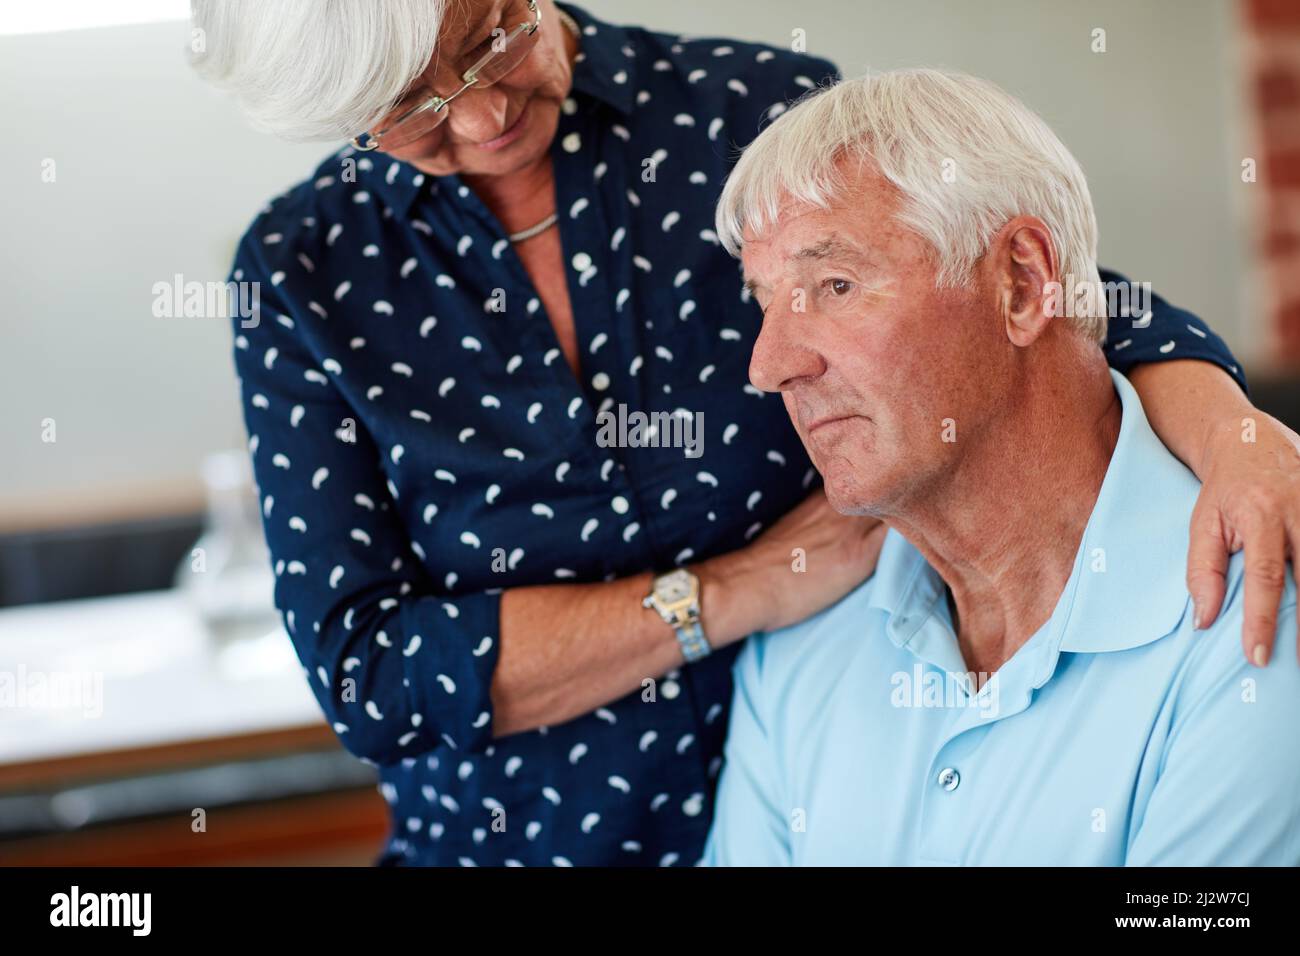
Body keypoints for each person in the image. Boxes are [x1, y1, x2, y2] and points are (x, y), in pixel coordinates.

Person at [190, 0, 1300, 866]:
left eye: (491, 38)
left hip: (852, 767)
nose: (482, 116)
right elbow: (371, 669)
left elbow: (1035, 289)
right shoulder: (305, 269)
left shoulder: (735, 113)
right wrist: (737, 591)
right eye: (412, 105)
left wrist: (1240, 429)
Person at [703, 69, 1300, 865]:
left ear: (1021, 283)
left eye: (834, 285)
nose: (769, 364)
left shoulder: (1258, 618)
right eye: (765, 302)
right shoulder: (799, 652)